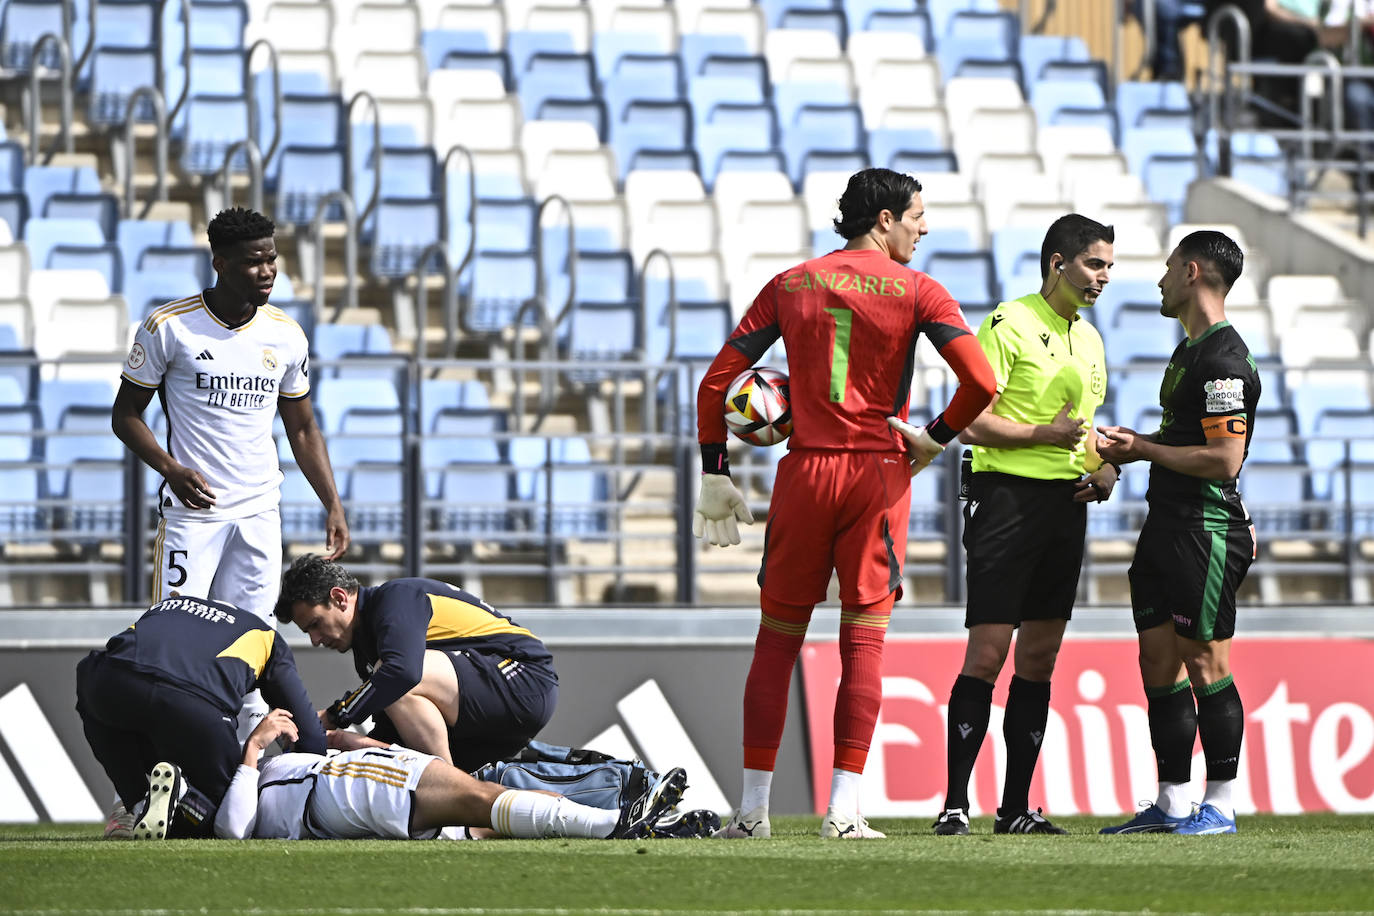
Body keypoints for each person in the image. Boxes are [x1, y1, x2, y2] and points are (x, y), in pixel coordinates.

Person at [693, 167, 998, 839]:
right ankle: (843, 812)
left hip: (802, 474)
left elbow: (717, 382)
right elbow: (982, 382)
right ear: (884, 219)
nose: (925, 226)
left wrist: (715, 470)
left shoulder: (791, 283)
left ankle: (751, 815)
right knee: (864, 642)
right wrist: (934, 441)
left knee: (776, 642)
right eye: (917, 214)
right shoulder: (919, 291)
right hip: (876, 476)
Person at [111, 207, 349, 755]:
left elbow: (303, 427)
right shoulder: (169, 326)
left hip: (260, 514)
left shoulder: (286, 336)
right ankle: (147, 784)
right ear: (219, 262)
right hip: (194, 516)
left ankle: (251, 776)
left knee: (250, 647)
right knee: (167, 649)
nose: (266, 271)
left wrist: (331, 503)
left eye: (271, 259)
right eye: (252, 261)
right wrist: (171, 469)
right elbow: (125, 416)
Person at [930, 214, 1119, 837]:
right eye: (1095, 264)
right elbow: (971, 421)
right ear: (1057, 262)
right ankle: (955, 804)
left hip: (1066, 506)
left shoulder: (1090, 340)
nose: (1103, 277)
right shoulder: (1008, 323)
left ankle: (1015, 810)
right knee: (987, 653)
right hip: (1005, 500)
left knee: (1039, 657)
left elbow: (1085, 434)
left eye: (1109, 267)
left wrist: (1104, 471)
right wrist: (1045, 433)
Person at [1096, 231, 1259, 836]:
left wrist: (1141, 447)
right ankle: (1170, 804)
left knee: (1205, 660)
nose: (1160, 281)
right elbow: (1185, 439)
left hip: (1204, 530)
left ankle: (1220, 803)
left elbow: (1223, 460)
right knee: (1156, 660)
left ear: (1192, 272)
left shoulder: (1223, 361)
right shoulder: (1188, 352)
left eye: (1167, 270)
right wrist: (1129, 453)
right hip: (1165, 524)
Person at [192, 709, 694, 841]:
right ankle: (614, 822)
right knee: (482, 796)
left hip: (355, 779)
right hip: (343, 790)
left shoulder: (259, 774)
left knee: (485, 814)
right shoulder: (245, 782)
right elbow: (234, 830)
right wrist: (254, 749)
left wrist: (363, 743)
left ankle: (627, 821)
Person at [75, 595, 327, 840]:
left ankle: (138, 804)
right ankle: (183, 796)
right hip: (193, 704)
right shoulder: (269, 639)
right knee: (225, 816)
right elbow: (311, 737)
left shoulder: (170, 604)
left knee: (100, 708)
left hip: (106, 680)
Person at [274, 556, 558, 771]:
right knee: (400, 749)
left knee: (393, 678)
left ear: (339, 598)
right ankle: (458, 795)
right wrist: (339, 742)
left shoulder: (395, 599)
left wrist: (336, 715)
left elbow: (403, 674)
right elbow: (395, 735)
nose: (314, 640)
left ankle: (451, 801)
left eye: (315, 624)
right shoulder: (370, 647)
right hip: (489, 703)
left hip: (524, 677)